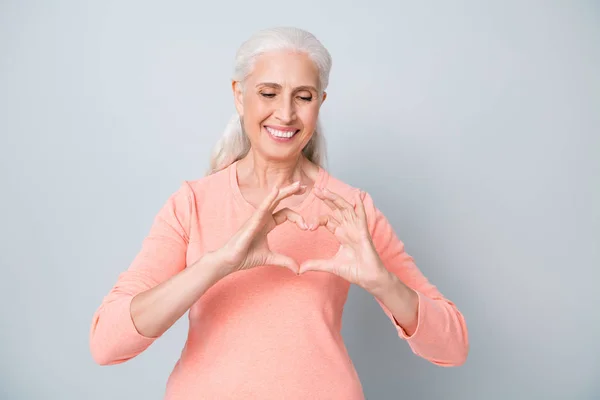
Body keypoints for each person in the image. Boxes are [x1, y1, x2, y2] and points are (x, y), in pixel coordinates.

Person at [89, 26, 469, 399]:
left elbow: (452, 349)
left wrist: (383, 282)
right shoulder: (192, 204)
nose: (285, 113)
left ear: (320, 101)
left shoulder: (350, 209)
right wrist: (217, 264)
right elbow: (108, 343)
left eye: (303, 97)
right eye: (268, 93)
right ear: (239, 96)